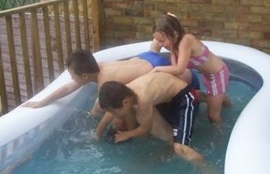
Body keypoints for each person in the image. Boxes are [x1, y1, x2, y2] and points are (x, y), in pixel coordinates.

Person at [23, 49, 196, 116]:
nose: (71, 80)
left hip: (159, 67)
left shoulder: (104, 82)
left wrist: (92, 118)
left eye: (72, 75)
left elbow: (110, 110)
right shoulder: (98, 67)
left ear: (84, 77)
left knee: (103, 105)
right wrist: (42, 102)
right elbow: (68, 87)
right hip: (147, 57)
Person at [97, 72, 204, 164]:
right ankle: (209, 98)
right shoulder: (125, 93)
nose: (114, 115)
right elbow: (112, 113)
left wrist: (127, 134)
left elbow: (145, 129)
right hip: (167, 97)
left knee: (179, 148)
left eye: (114, 112)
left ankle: (206, 169)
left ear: (125, 102)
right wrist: (97, 134)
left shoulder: (143, 99)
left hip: (184, 97)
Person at [151, 13, 231, 123]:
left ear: (174, 34)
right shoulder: (174, 46)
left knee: (212, 116)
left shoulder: (186, 41)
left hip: (218, 74)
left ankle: (220, 135)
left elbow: (179, 69)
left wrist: (157, 69)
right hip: (206, 75)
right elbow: (175, 69)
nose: (159, 44)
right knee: (196, 95)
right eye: (157, 40)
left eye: (161, 40)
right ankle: (222, 100)